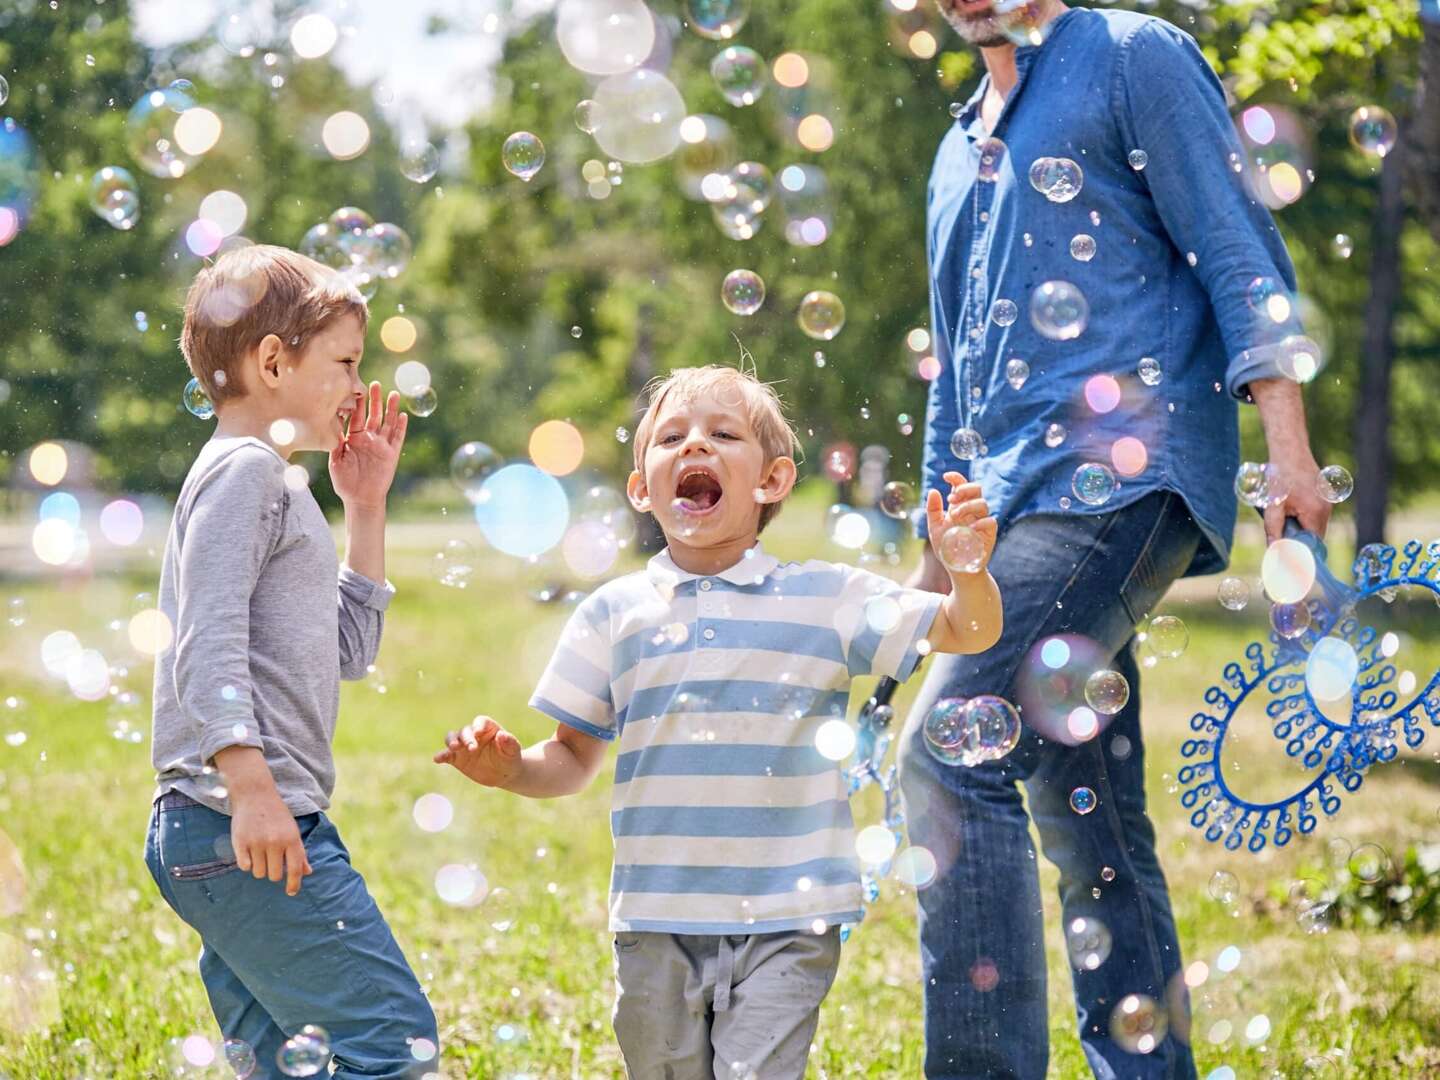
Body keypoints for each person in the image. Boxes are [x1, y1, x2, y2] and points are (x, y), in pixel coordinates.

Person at [900, 2, 1332, 1077]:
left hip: (1120, 481)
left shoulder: (1133, 56)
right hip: (1004, 511)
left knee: (951, 762)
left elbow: (1237, 247)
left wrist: (1289, 448)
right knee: (1088, 818)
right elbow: (953, 375)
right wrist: (926, 576)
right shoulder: (957, 150)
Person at [435, 364, 1003, 1079]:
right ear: (642, 488)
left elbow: (965, 630)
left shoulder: (827, 598)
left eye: (722, 434)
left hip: (789, 919)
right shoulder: (613, 613)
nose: (695, 446)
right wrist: (511, 768)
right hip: (655, 916)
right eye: (672, 436)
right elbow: (572, 756)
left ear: (772, 480)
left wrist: (969, 572)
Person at [144, 245, 437, 1078]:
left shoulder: (278, 482)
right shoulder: (244, 475)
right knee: (392, 1042)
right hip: (241, 820)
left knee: (282, 1067)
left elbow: (350, 650)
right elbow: (203, 643)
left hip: (233, 824)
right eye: (344, 362)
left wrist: (367, 509)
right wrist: (251, 786)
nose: (355, 385)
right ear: (273, 361)